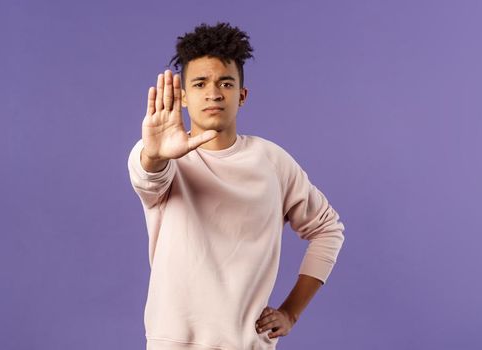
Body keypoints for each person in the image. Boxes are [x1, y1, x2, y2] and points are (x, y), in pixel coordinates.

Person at [127, 22, 346, 350]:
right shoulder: (162, 157)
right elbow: (148, 176)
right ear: (184, 97)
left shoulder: (272, 161)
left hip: (247, 344)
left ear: (241, 96)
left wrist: (291, 313)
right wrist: (154, 156)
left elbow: (328, 229)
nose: (214, 93)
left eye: (225, 83)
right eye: (200, 83)